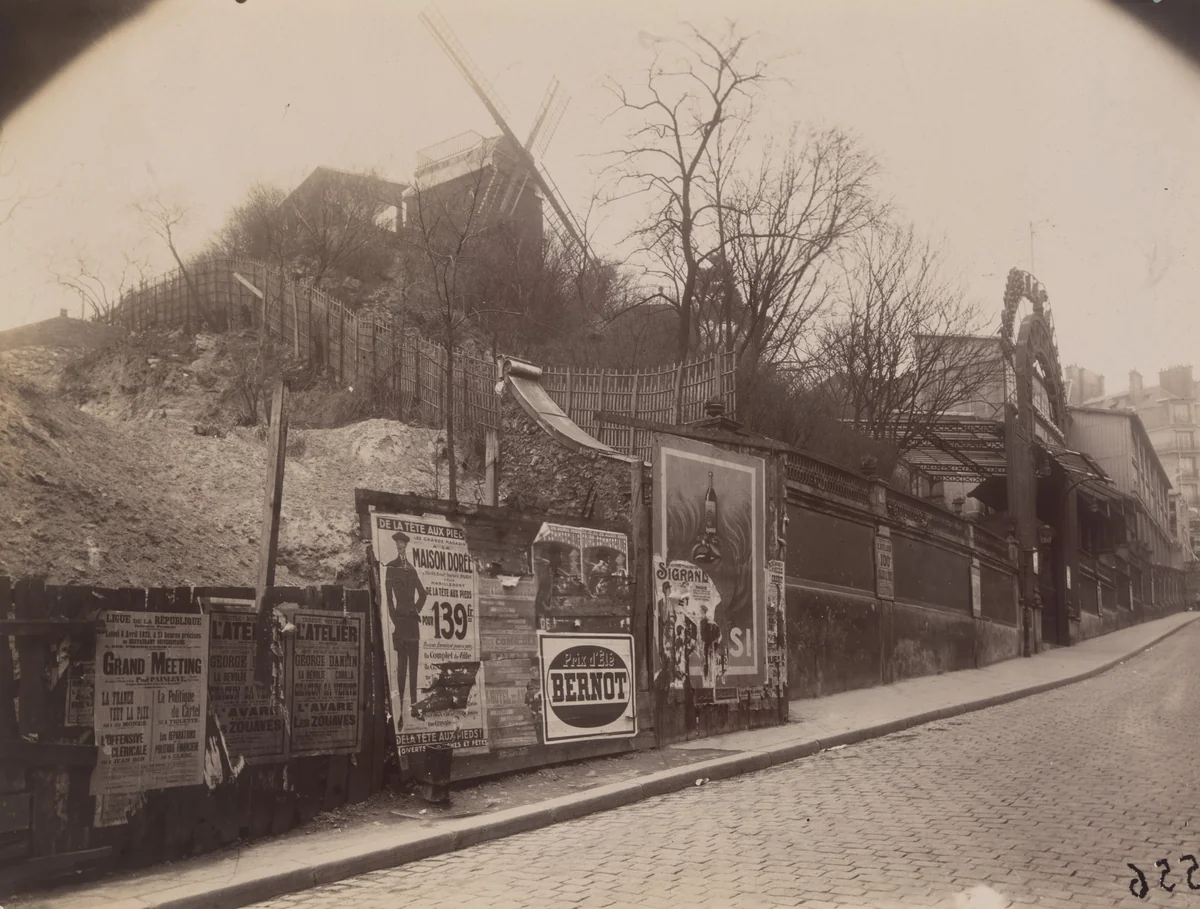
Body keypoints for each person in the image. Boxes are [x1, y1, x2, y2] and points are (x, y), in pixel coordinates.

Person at [384, 530, 427, 726]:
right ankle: (400, 713)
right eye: (397, 542)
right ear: (396, 545)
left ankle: (415, 711)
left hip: (412, 625)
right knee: (401, 669)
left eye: (402, 542)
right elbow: (388, 597)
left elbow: (423, 594)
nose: (400, 545)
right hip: (400, 624)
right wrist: (395, 618)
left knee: (414, 669)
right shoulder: (391, 567)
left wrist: (414, 610)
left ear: (406, 545)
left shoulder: (412, 569)